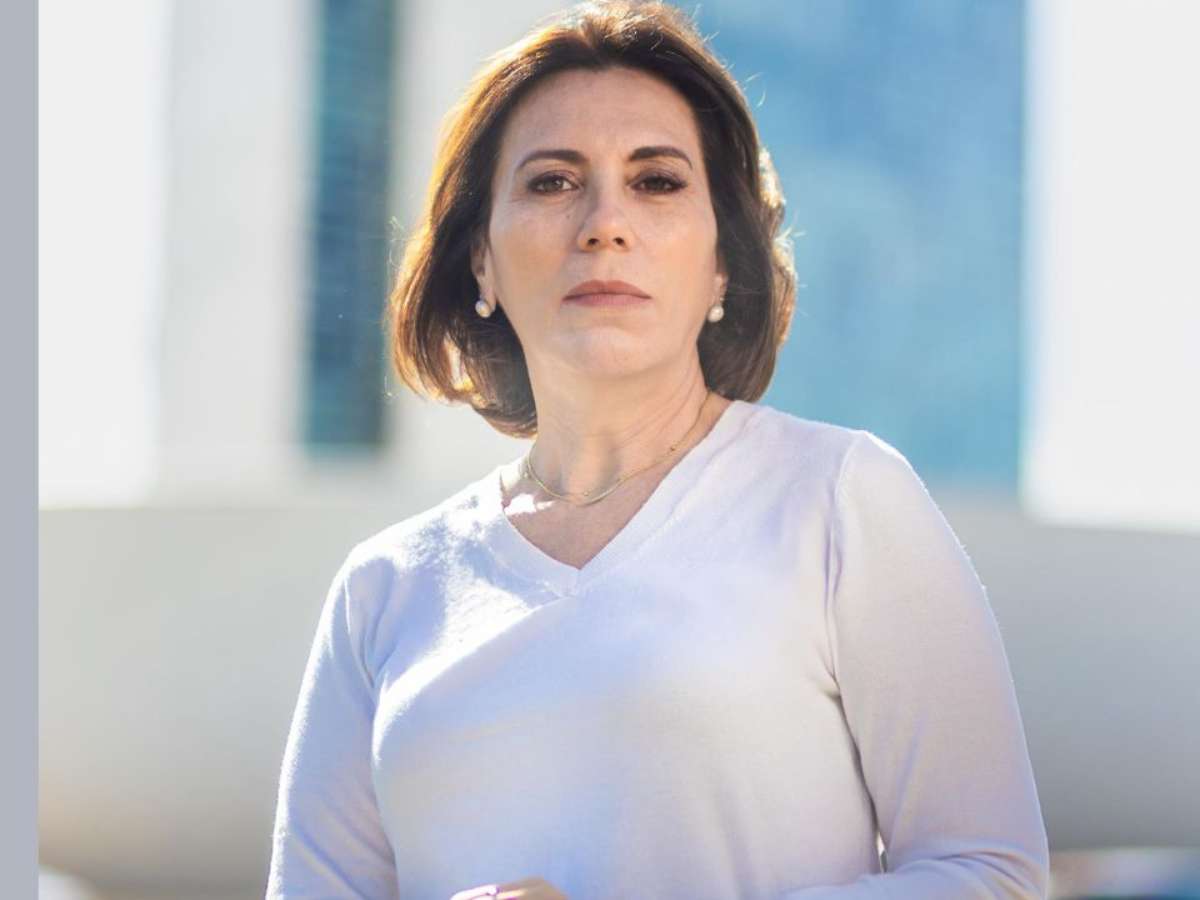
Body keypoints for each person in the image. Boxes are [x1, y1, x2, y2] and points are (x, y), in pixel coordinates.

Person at [265, 2, 1050, 898]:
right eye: (553, 182)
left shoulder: (840, 498)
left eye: (657, 182)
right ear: (480, 259)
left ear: (722, 262)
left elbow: (993, 876)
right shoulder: (384, 588)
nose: (605, 223)